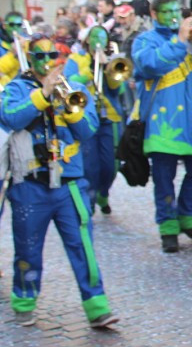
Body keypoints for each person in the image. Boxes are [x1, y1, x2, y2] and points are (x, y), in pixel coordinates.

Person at [2, 34, 119, 329]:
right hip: (29, 183)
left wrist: (69, 106)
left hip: (70, 183)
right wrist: (42, 94)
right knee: (27, 247)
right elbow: (10, 117)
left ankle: (97, 306)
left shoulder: (76, 89)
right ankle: (25, 299)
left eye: (51, 55)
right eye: (39, 56)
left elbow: (89, 129)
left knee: (83, 245)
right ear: (30, 59)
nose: (46, 61)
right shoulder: (17, 88)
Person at [132, 0, 192, 253]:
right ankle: (168, 227)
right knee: (163, 177)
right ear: (153, 14)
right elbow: (151, 65)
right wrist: (180, 40)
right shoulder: (145, 41)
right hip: (164, 122)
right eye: (167, 11)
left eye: (176, 10)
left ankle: (186, 215)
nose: (173, 16)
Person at [64, 25, 126, 214]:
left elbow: (119, 90)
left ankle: (103, 193)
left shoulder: (112, 59)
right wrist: (89, 71)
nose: (99, 41)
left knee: (111, 164)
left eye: (103, 38)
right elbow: (69, 82)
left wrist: (108, 69)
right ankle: (89, 199)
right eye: (95, 37)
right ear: (88, 39)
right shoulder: (76, 58)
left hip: (109, 117)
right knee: (90, 164)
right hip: (86, 117)